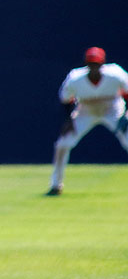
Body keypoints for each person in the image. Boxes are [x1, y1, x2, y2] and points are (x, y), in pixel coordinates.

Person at [46, 47, 128, 195]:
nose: (94, 67)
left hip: (113, 109)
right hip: (86, 111)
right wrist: (68, 121)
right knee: (62, 145)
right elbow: (66, 100)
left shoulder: (116, 74)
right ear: (86, 64)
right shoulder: (75, 78)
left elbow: (127, 92)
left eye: (96, 63)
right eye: (91, 63)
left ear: (102, 63)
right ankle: (55, 185)